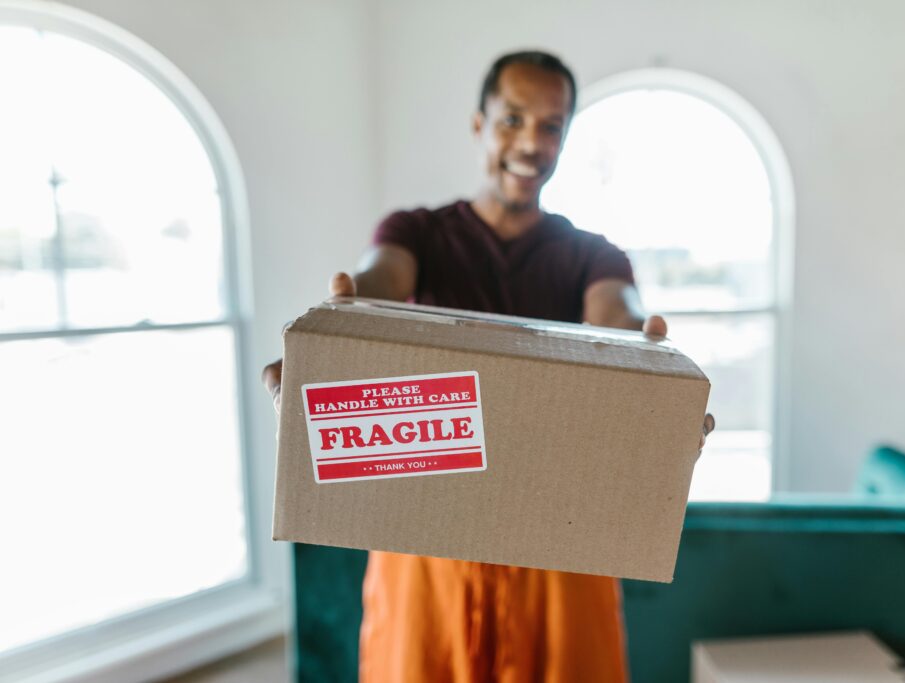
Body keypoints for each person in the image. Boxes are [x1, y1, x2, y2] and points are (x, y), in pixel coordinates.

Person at [263, 50, 715, 682]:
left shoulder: (592, 254)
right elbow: (379, 281)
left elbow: (616, 313)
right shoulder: (416, 233)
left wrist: (654, 373)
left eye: (552, 126)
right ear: (479, 124)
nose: (531, 142)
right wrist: (335, 331)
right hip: (425, 533)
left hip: (560, 544)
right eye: (512, 119)